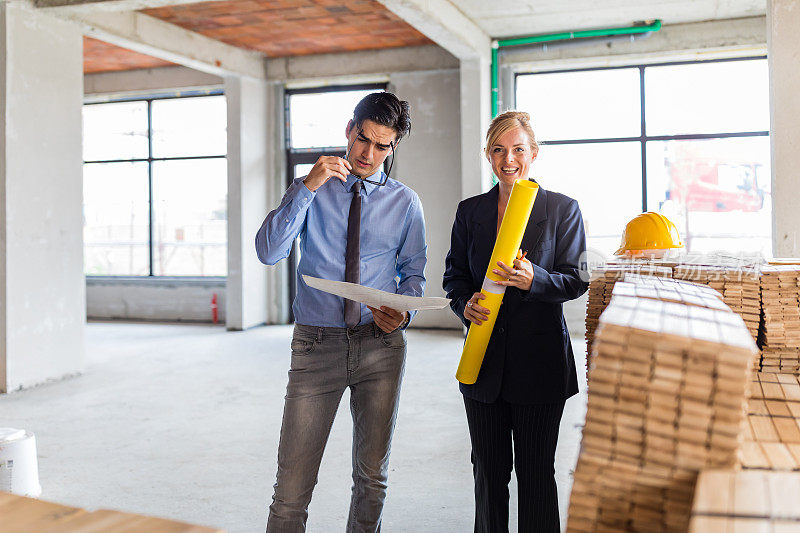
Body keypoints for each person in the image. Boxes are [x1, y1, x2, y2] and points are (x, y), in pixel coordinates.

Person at [255, 92, 426, 533]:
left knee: (372, 479)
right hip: (316, 345)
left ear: (394, 147)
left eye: (382, 145)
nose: (368, 154)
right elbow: (268, 251)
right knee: (291, 489)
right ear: (349, 130)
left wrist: (402, 314)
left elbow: (413, 274)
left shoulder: (405, 203)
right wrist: (306, 186)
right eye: (363, 139)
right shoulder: (314, 188)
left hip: (380, 347)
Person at [443, 111, 587, 532]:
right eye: (499, 150)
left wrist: (534, 278)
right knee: (488, 473)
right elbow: (455, 276)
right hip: (482, 363)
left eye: (518, 150)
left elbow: (577, 279)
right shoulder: (471, 213)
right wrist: (463, 304)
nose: (509, 159)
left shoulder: (562, 210)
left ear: (534, 153)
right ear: (488, 156)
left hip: (539, 364)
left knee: (536, 472)